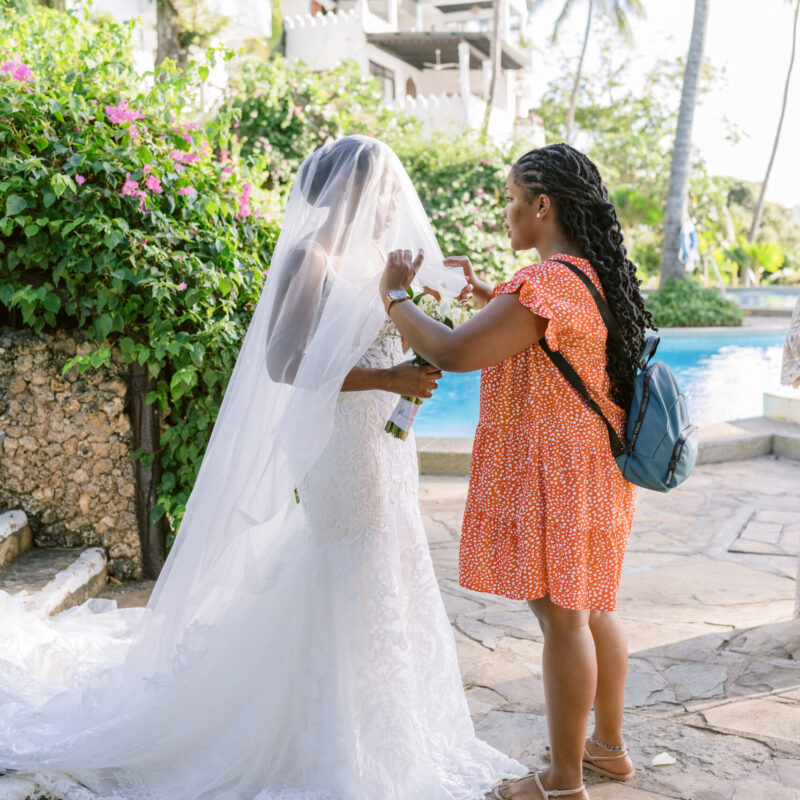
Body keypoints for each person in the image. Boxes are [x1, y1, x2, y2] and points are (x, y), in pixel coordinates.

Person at [0, 136, 525, 799]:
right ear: (350, 189)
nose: (396, 197)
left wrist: (445, 285)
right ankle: (335, 735)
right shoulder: (311, 257)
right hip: (339, 439)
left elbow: (411, 317)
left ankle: (378, 721)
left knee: (377, 566)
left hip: (383, 442)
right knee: (352, 561)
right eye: (384, 185)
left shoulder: (373, 262)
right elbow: (285, 364)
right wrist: (388, 376)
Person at [379, 143, 654, 800]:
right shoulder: (589, 276)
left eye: (510, 198)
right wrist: (484, 294)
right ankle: (607, 750)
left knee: (564, 620)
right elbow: (537, 339)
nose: (506, 212)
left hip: (560, 473)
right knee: (591, 609)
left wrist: (392, 294)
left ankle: (561, 782)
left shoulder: (545, 285)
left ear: (542, 204)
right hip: (595, 468)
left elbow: (451, 349)